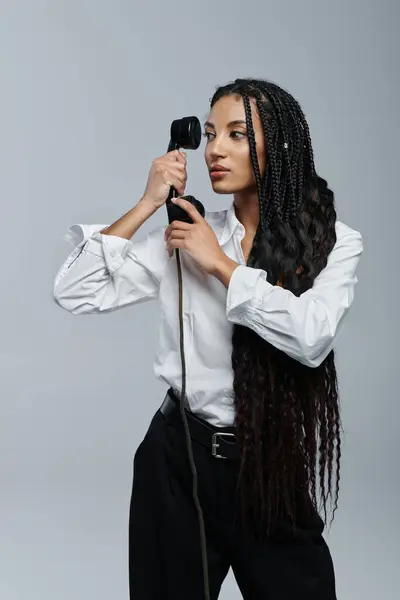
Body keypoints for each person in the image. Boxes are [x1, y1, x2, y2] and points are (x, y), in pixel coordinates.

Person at [53, 77, 363, 600]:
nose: (216, 149)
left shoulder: (335, 242)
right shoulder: (184, 231)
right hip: (178, 463)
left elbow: (311, 337)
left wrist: (218, 264)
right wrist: (148, 203)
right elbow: (75, 290)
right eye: (212, 133)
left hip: (270, 464)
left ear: (279, 147)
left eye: (237, 135)